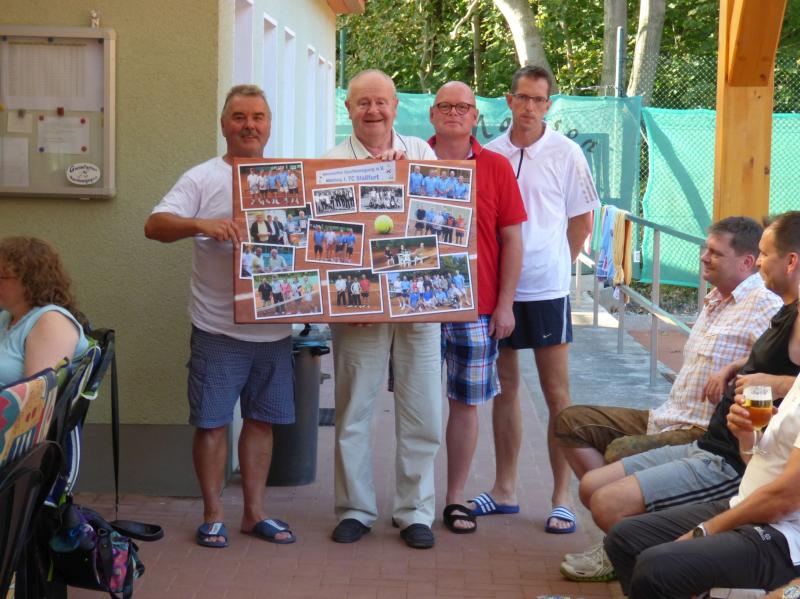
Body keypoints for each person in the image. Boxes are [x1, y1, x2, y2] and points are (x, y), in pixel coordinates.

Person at [560, 215, 794, 582]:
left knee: (623, 516)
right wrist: (739, 370)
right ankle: (632, 546)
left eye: (765, 254)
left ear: (790, 261)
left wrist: (772, 388)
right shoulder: (775, 309)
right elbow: (766, 366)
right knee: (588, 470)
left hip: (726, 454)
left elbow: (779, 493)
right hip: (719, 441)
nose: (704, 257)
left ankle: (631, 549)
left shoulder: (767, 304)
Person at [144, 84, 295, 548]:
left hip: (274, 329)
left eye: (258, 117)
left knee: (262, 421)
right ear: (224, 124)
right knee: (211, 423)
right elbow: (154, 225)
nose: (249, 125)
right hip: (217, 328)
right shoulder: (202, 178)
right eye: (239, 117)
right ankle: (212, 515)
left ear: (269, 124)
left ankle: (254, 513)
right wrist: (201, 224)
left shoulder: (289, 178)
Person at [478, 65, 599, 533]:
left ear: (548, 105)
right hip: (499, 291)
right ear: (509, 100)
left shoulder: (567, 153)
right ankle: (504, 489)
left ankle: (561, 498)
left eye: (538, 100)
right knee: (505, 388)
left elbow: (582, 222)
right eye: (522, 97)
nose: (529, 107)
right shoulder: (490, 153)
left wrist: (553, 263)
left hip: (547, 291)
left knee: (556, 394)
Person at [324, 69, 440, 550]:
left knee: (424, 413)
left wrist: (405, 172)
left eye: (381, 102)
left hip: (418, 304)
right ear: (348, 108)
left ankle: (415, 512)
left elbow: (443, 219)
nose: (372, 110)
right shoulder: (330, 162)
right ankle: (355, 508)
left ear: (395, 106)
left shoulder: (421, 152)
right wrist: (341, 301)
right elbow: (322, 244)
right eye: (362, 102)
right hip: (360, 307)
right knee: (354, 411)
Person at [604, 352, 800, 597]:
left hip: (786, 535)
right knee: (624, 538)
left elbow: (786, 499)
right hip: (749, 505)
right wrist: (747, 438)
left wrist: (704, 530)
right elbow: (759, 462)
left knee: (658, 568)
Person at [426, 82, 526, 534]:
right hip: (419, 309)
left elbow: (512, 240)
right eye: (445, 106)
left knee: (465, 406)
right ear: (432, 114)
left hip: (478, 309)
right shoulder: (412, 161)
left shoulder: (497, 166)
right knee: (417, 405)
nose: (454, 113)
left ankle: (454, 498)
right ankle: (414, 501)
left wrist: (505, 305)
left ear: (474, 116)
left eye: (462, 107)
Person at [0, 237, 90, 387]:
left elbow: (38, 395)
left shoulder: (52, 323)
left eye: (1, 277)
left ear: (30, 281)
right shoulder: (7, 316)